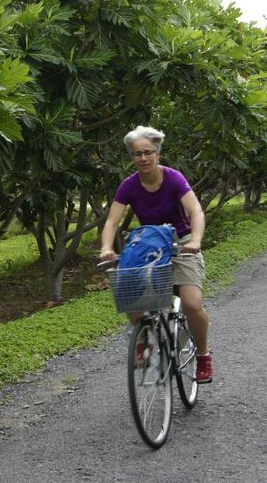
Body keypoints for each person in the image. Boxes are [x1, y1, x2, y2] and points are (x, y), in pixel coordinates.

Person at [98, 125, 212, 383]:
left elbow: (196, 211)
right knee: (127, 290)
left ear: (158, 154)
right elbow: (112, 222)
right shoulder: (128, 185)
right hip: (148, 243)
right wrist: (106, 247)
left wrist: (195, 240)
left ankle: (203, 355)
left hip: (180, 242)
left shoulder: (173, 178)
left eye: (148, 152)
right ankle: (145, 338)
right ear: (132, 157)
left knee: (192, 303)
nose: (143, 158)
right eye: (137, 154)